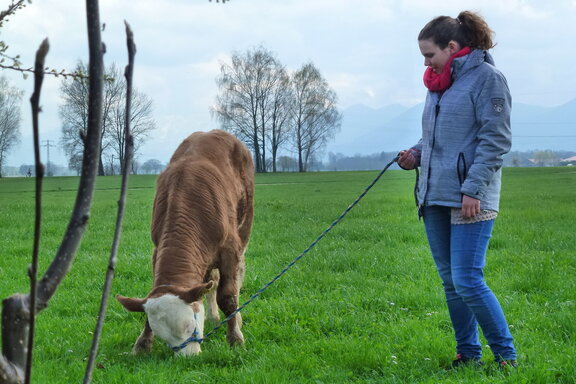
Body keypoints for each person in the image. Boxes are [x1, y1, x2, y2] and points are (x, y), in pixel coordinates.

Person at [398, 11, 517, 368]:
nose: (425, 62)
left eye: (429, 54)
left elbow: (495, 140)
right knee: (451, 283)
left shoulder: (488, 80)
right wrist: (416, 154)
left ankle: (506, 358)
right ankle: (468, 354)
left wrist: (473, 189)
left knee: (467, 279)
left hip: (470, 198)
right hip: (434, 195)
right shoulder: (440, 82)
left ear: (452, 47)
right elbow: (436, 137)